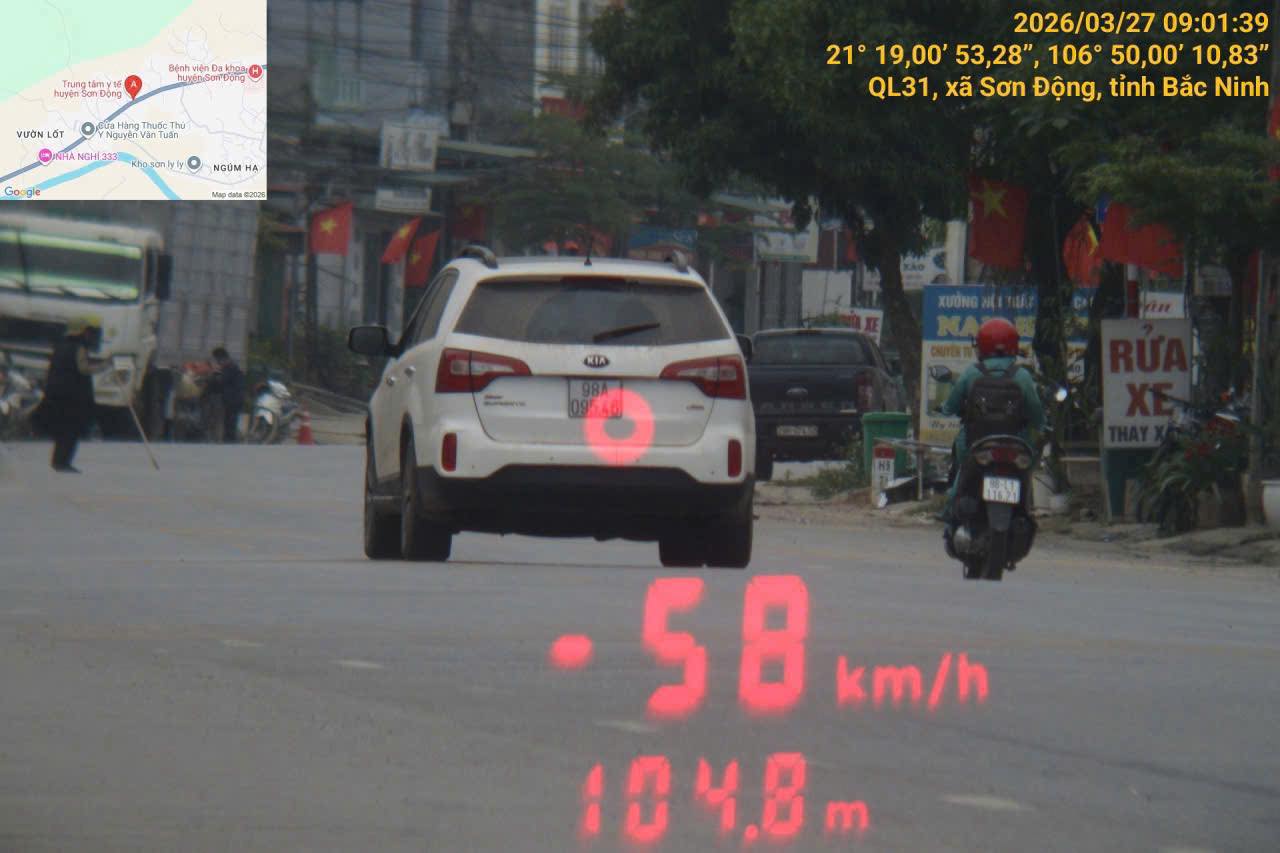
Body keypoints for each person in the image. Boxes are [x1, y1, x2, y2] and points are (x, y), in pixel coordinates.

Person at [940, 317, 1045, 522]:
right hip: (1016, 442)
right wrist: (1042, 425)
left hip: (975, 442)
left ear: (981, 345)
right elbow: (1036, 412)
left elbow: (951, 405)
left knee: (962, 474)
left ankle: (949, 511)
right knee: (1025, 469)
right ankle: (1026, 508)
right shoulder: (1022, 376)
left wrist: (944, 409)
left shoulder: (972, 373)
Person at [35, 315, 109, 472]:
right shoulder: (78, 347)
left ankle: (58, 461)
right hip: (72, 397)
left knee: (62, 431)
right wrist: (105, 366)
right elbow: (83, 368)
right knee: (70, 432)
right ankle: (63, 463)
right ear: (83, 332)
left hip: (56, 394)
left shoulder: (60, 345)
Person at [210, 346, 244, 443]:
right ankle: (229, 440)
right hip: (234, 398)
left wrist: (214, 377)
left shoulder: (230, 367)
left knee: (230, 423)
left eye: (217, 360)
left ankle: (229, 441)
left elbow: (222, 381)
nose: (217, 363)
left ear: (222, 358)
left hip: (233, 399)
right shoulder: (232, 367)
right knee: (229, 422)